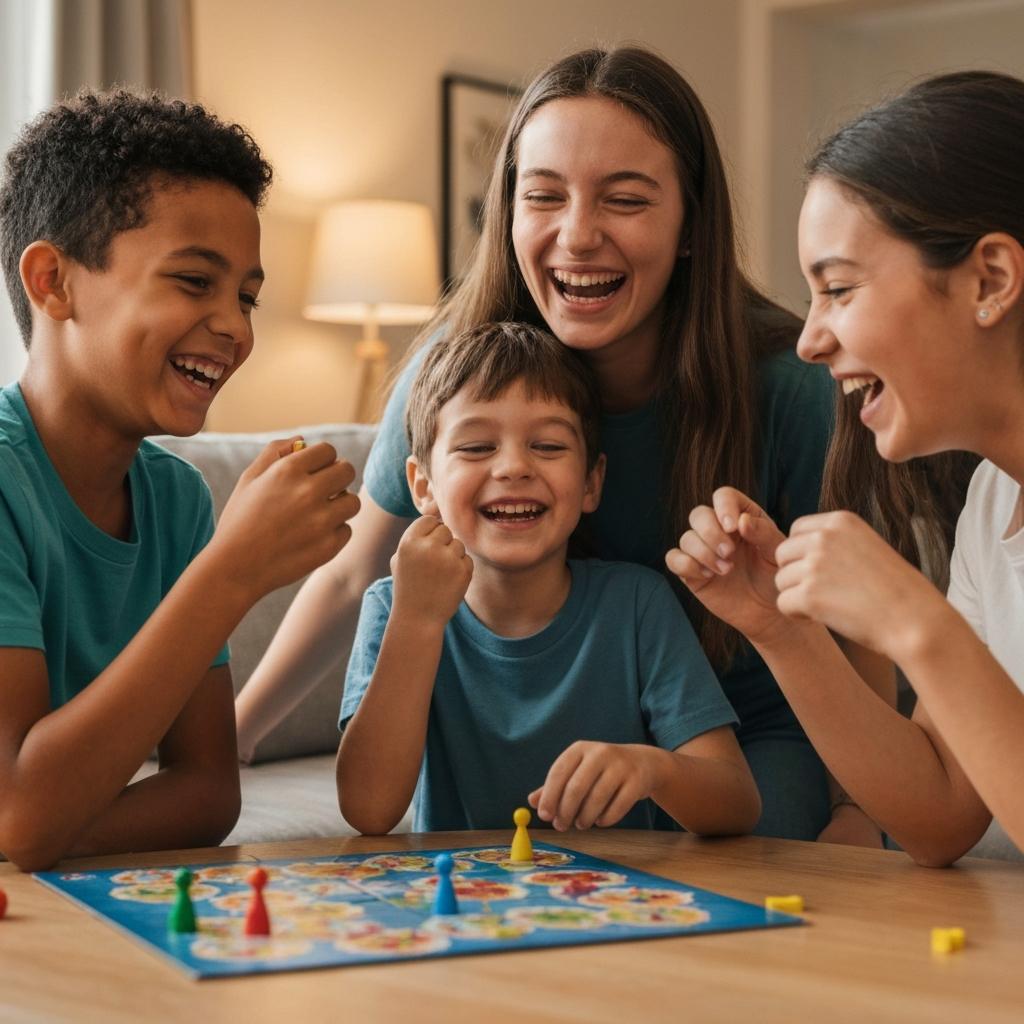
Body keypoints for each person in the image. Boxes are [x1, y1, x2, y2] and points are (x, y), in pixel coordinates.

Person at [240, 45, 887, 844]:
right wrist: (235, 739)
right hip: (552, 749)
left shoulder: (788, 385)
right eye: (543, 196)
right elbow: (352, 579)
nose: (578, 237)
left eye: (625, 200)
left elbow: (863, 618)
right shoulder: (457, 380)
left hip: (746, 737)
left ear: (690, 225)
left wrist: (862, 813)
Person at [668, 70, 1024, 867]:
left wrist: (915, 622)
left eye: (839, 289)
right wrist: (783, 631)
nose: (809, 338)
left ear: (990, 280)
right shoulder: (995, 500)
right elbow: (940, 814)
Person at [0, 89, 359, 871]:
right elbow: (20, 810)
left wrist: (40, 833)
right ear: (53, 282)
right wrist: (230, 573)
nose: (236, 325)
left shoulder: (175, 496)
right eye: (195, 282)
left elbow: (207, 792)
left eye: (247, 296)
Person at [336, 322, 760, 836]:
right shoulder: (394, 607)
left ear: (591, 482)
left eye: (549, 446)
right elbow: (368, 810)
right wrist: (417, 621)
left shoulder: (636, 605)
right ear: (422, 485)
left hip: (623, 904)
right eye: (475, 448)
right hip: (466, 906)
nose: (514, 467)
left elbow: (737, 803)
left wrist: (654, 768)